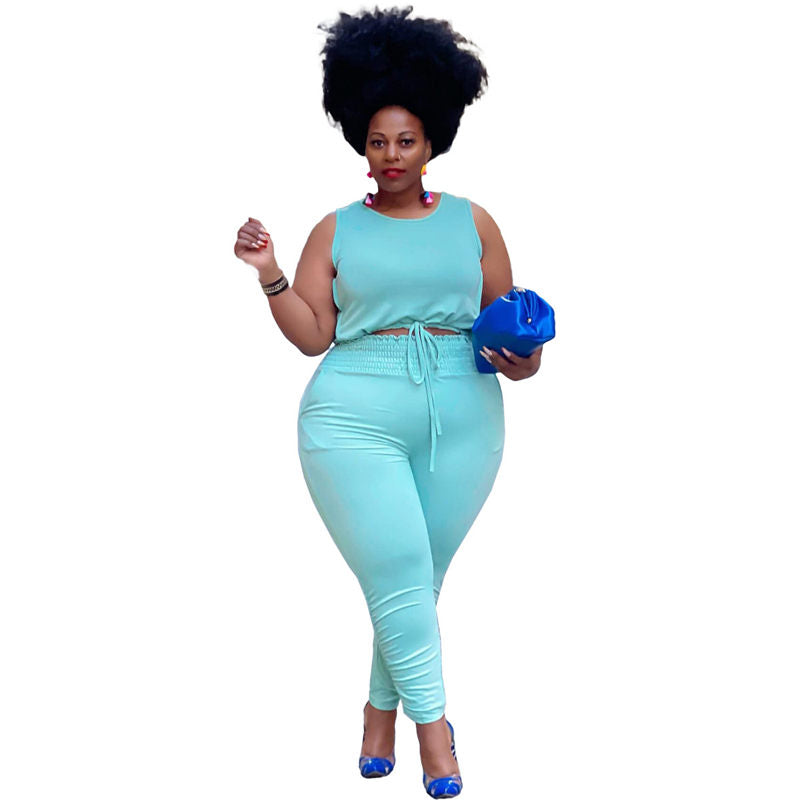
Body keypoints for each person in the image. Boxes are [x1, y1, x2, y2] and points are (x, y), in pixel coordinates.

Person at [233, 6, 543, 797]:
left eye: (406, 140)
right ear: (360, 145)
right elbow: (312, 334)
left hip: (465, 414)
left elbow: (509, 332)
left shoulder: (475, 222)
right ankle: (436, 735)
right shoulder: (335, 230)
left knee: (415, 578)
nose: (391, 155)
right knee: (402, 570)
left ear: (432, 141)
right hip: (351, 412)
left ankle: (378, 712)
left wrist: (526, 358)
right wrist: (269, 274)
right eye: (377, 141)